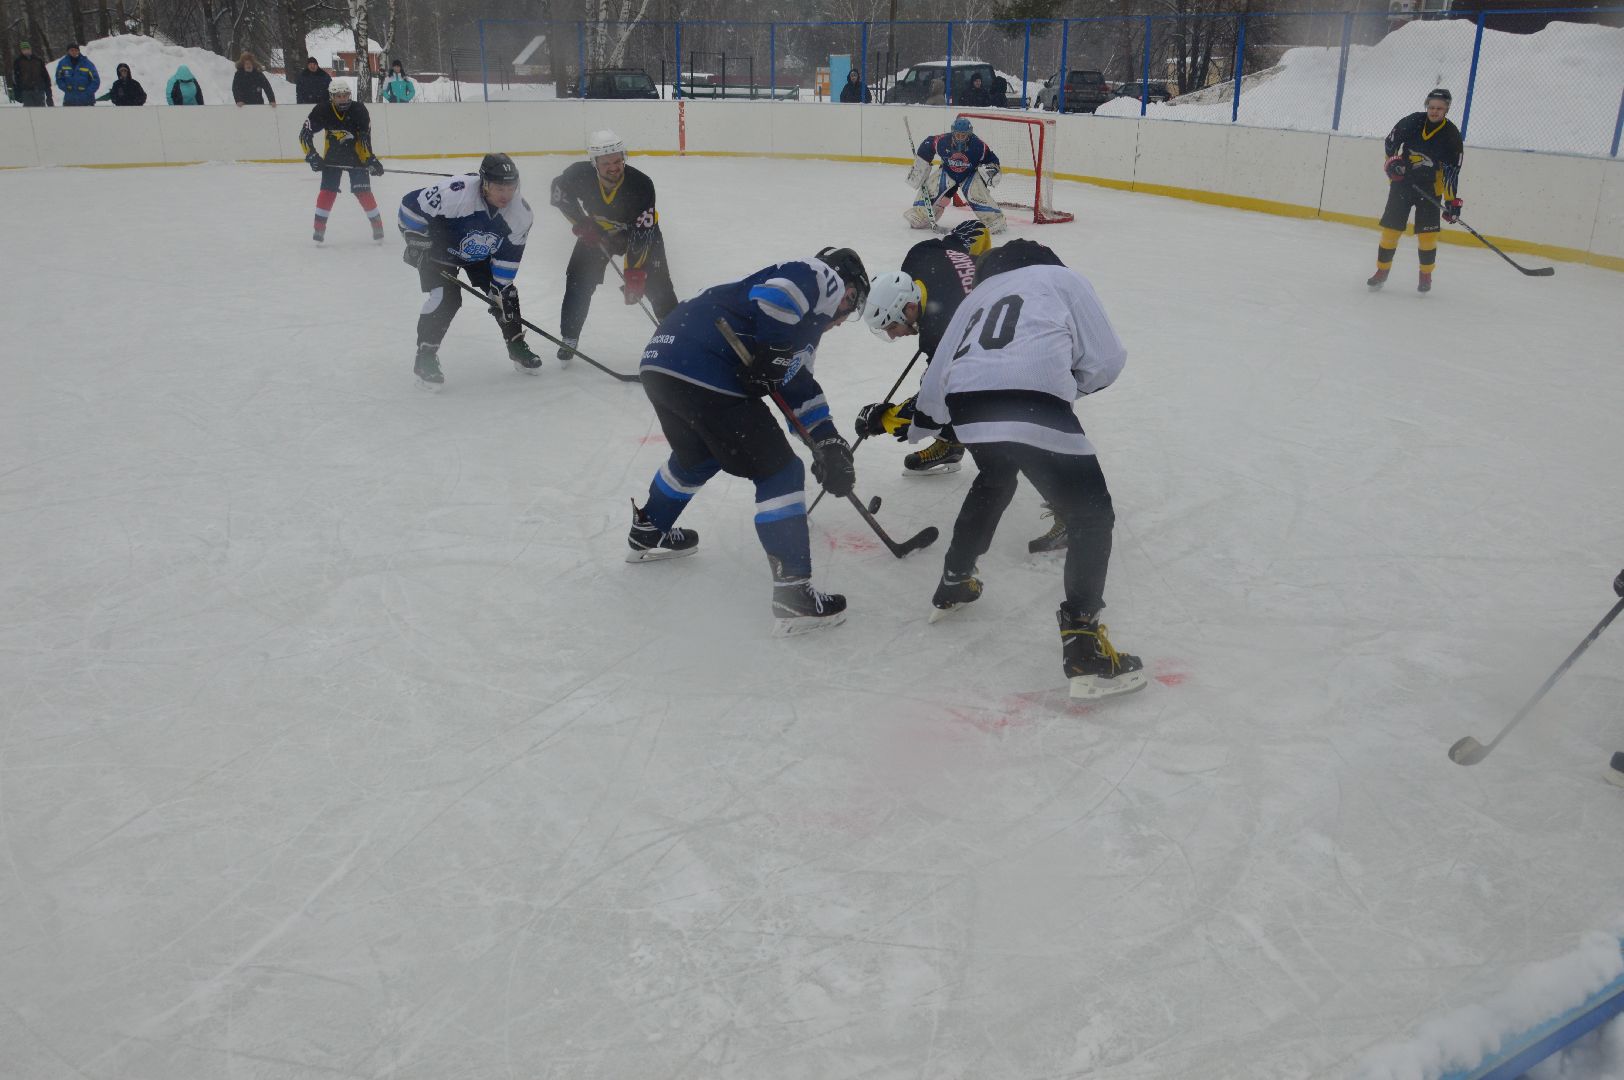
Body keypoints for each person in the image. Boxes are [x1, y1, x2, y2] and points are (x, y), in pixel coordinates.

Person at [901, 239, 1144, 699]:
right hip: (1033, 401)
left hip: (969, 406)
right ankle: (1084, 643)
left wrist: (919, 427)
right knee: (1091, 516)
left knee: (993, 477)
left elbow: (935, 388)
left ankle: (955, 580)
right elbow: (1106, 361)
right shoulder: (1062, 279)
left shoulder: (975, 297)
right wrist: (1066, 388)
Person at [629, 248, 870, 636]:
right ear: (850, 291)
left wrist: (829, 442)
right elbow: (779, 294)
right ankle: (793, 593)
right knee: (780, 471)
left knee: (697, 457)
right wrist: (774, 350)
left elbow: (798, 388)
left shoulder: (801, 330)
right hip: (703, 363)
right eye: (851, 303)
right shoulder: (823, 277)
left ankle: (649, 528)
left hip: (663, 362)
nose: (841, 320)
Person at [854, 218, 991, 479]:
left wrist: (883, 420)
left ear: (909, 308)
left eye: (891, 326)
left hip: (1025, 341)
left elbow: (934, 401)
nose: (893, 336)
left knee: (970, 401)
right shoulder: (919, 258)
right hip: (1012, 303)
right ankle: (951, 443)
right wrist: (982, 269)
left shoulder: (940, 333)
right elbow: (977, 229)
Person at [397, 153, 540, 389]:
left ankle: (516, 345)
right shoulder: (455, 194)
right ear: (484, 183)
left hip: (479, 255)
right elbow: (410, 206)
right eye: (498, 187)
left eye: (510, 187)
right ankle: (425, 358)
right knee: (447, 298)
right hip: (440, 252)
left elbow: (509, 255)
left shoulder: (520, 215)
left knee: (506, 295)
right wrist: (414, 239)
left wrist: (499, 288)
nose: (506, 195)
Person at [548, 130, 680, 364]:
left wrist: (635, 272)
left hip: (641, 234)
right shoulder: (578, 174)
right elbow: (560, 195)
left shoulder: (641, 184)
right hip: (598, 232)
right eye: (606, 162)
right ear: (594, 162)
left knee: (660, 287)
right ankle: (569, 337)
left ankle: (679, 340)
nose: (613, 167)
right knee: (578, 279)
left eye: (618, 160)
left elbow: (643, 229)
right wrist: (582, 223)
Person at [1369, 88, 1463, 294]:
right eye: (1431, 107)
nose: (1434, 111)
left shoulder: (1452, 135)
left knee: (1427, 236)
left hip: (1430, 188)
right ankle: (1381, 271)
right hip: (1403, 183)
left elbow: (1451, 172)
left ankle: (1426, 275)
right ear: (1426, 106)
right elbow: (1391, 142)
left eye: (1439, 108)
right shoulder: (1412, 121)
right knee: (1391, 230)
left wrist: (1451, 202)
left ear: (1447, 109)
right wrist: (1391, 163)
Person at [300, 84, 384, 244]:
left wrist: (370, 159)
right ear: (332, 97)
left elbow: (365, 137)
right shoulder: (322, 110)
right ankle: (318, 228)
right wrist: (312, 156)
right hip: (332, 158)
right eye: (338, 96)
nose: (342, 98)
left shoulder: (359, 109)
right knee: (327, 192)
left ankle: (377, 224)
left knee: (363, 192)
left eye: (345, 95)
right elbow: (304, 134)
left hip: (357, 158)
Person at [905, 116, 1004, 234]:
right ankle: (921, 215)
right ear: (953, 133)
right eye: (958, 135)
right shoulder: (942, 141)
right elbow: (928, 144)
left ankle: (995, 219)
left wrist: (992, 171)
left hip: (969, 175)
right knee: (931, 188)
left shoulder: (978, 146)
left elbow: (991, 159)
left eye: (964, 135)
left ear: (969, 134)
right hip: (948, 172)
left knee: (977, 195)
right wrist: (920, 165)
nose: (960, 138)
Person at [11, 41, 54, 106]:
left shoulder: (38, 60)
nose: (26, 51)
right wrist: (18, 92)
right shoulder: (18, 61)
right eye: (24, 49)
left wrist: (49, 94)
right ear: (21, 51)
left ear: (30, 49)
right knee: (29, 112)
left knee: (41, 112)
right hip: (26, 91)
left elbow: (45, 76)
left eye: (27, 49)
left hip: (39, 90)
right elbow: (15, 79)